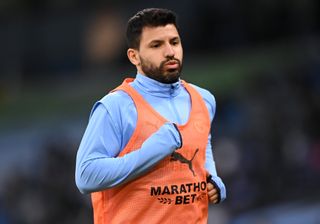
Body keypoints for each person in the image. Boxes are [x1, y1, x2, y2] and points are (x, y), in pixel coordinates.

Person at [75, 8, 226, 224]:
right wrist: (149, 153)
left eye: (174, 42)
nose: (170, 52)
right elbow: (85, 176)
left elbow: (203, 145)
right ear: (134, 56)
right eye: (156, 45)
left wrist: (211, 177)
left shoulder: (204, 99)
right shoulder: (116, 106)